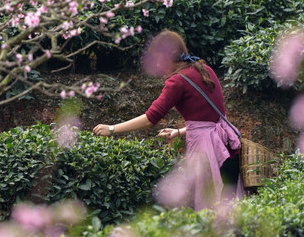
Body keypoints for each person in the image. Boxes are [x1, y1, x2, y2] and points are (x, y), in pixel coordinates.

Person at [93, 29, 243, 210]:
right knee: (230, 213)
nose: (156, 64)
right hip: (229, 150)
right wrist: (178, 132)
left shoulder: (177, 82)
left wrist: (112, 129)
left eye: (158, 58)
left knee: (209, 213)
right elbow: (211, 119)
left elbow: (151, 117)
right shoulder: (205, 69)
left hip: (210, 155)